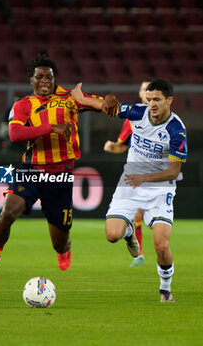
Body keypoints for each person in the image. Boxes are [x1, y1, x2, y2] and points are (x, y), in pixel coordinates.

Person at [0, 54, 117, 291]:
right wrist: (51, 128)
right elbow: (15, 134)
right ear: (31, 80)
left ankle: (64, 249)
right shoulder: (23, 105)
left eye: (48, 77)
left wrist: (109, 99)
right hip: (30, 171)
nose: (44, 81)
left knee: (59, 243)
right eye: (39, 77)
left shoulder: (70, 98)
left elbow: (100, 104)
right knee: (8, 213)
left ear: (54, 79)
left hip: (60, 176)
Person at [70, 79, 187, 302]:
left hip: (160, 188)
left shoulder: (177, 130)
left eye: (157, 100)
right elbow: (104, 107)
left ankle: (165, 289)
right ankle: (129, 231)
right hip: (131, 182)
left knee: (161, 245)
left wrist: (146, 177)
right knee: (112, 235)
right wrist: (81, 98)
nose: (152, 104)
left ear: (169, 100)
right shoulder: (138, 113)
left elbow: (173, 171)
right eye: (150, 99)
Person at [103, 80, 151, 267]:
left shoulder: (168, 119)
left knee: (154, 221)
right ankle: (139, 254)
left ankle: (159, 259)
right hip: (138, 173)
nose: (147, 93)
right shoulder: (133, 117)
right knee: (137, 215)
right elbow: (121, 147)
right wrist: (112, 146)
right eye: (144, 89)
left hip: (160, 174)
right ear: (140, 94)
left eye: (150, 89)